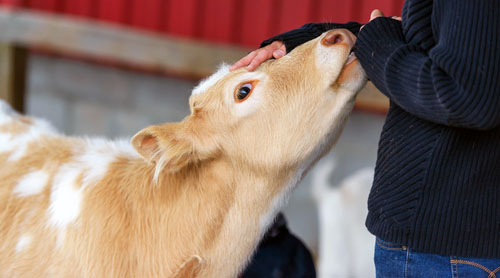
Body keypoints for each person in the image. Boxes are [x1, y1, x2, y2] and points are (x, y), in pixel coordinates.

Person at [231, 0, 500, 276]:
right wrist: (305, 45)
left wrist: (376, 42)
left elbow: (466, 95)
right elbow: (431, 42)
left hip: (447, 248)